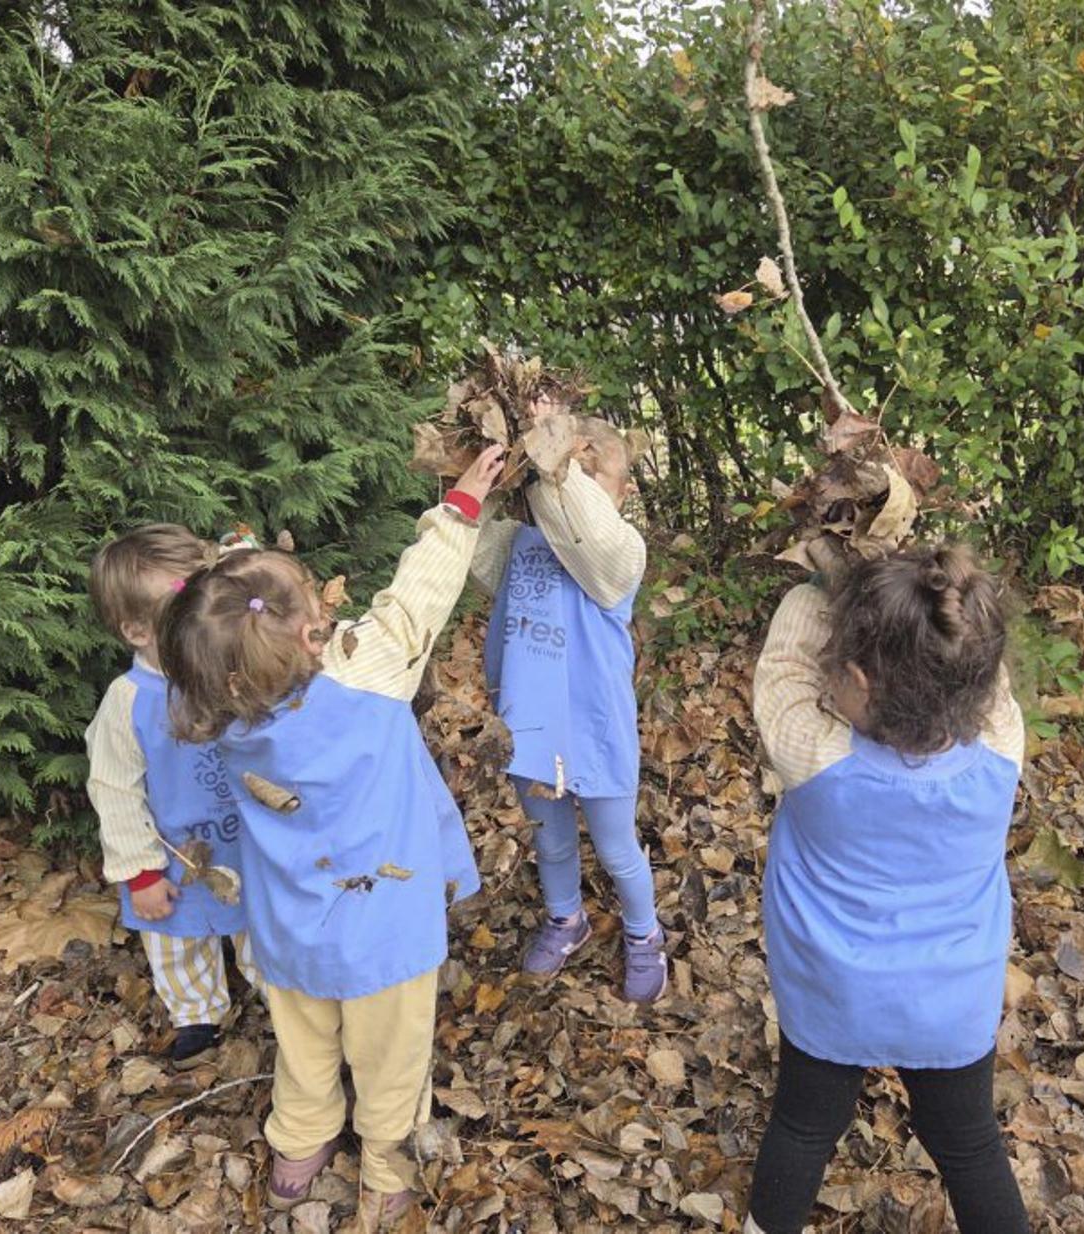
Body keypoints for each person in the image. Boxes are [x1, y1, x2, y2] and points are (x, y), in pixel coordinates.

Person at [157, 446, 503, 1226]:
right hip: (385, 923)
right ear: (312, 633)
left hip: (290, 922)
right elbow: (416, 601)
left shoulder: (228, 712)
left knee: (304, 1042)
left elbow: (230, 626)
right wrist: (459, 509)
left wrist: (244, 584)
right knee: (392, 1056)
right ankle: (386, 1165)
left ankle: (299, 1142)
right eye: (313, 600)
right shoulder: (367, 676)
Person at [743, 545, 1030, 1234]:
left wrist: (830, 570)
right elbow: (978, 667)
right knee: (970, 1147)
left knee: (803, 1128)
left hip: (832, 998)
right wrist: (932, 603)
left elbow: (782, 663)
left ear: (857, 682)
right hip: (951, 1004)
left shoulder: (814, 756)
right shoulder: (1001, 747)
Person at [471, 414, 666, 1002]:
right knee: (551, 841)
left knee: (615, 847)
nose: (569, 492)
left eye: (590, 478)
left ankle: (644, 933)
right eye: (560, 473)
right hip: (531, 722)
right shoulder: (520, 544)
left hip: (595, 725)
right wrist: (495, 468)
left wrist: (556, 460)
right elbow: (472, 544)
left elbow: (588, 536)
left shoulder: (622, 552)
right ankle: (566, 918)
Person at [86, 525, 260, 1069]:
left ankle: (280, 988)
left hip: (250, 841)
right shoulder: (129, 701)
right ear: (137, 630)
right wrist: (140, 872)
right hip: (176, 855)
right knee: (177, 937)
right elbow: (114, 788)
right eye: (182, 613)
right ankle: (196, 1014)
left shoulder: (229, 670)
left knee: (262, 923)